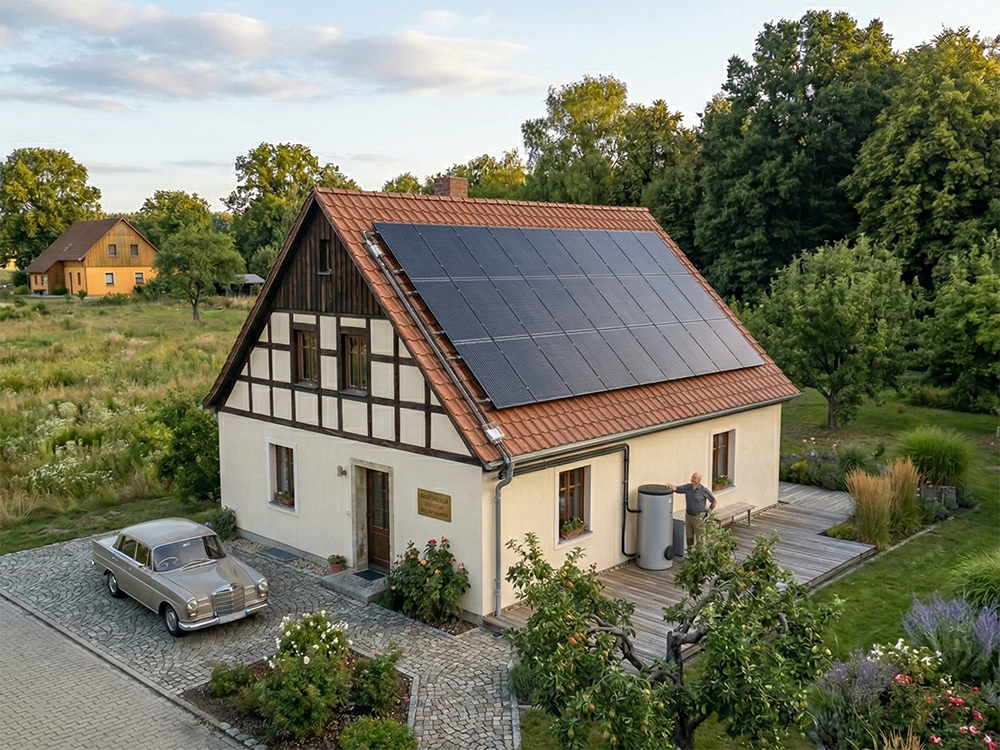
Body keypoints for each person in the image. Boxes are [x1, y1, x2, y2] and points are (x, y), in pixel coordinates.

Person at [667, 473, 716, 547]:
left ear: (699, 480)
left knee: (700, 537)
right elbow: (677, 489)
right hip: (688, 515)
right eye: (692, 477)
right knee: (689, 537)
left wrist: (707, 512)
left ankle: (699, 555)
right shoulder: (688, 487)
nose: (692, 479)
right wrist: (670, 486)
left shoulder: (703, 490)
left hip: (698, 517)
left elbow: (714, 501)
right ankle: (691, 554)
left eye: (695, 478)